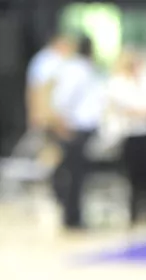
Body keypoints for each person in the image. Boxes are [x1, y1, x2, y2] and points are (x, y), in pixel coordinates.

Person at [106, 48, 146, 228]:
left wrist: (145, 112)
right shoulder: (117, 82)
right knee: (133, 178)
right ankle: (134, 215)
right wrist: (142, 112)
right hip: (129, 134)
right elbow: (121, 108)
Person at [51, 35, 104, 232]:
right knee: (73, 176)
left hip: (84, 127)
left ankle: (75, 215)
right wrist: (63, 124)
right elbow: (63, 99)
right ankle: (71, 216)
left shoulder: (86, 69)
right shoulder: (76, 70)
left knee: (79, 176)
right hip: (75, 129)